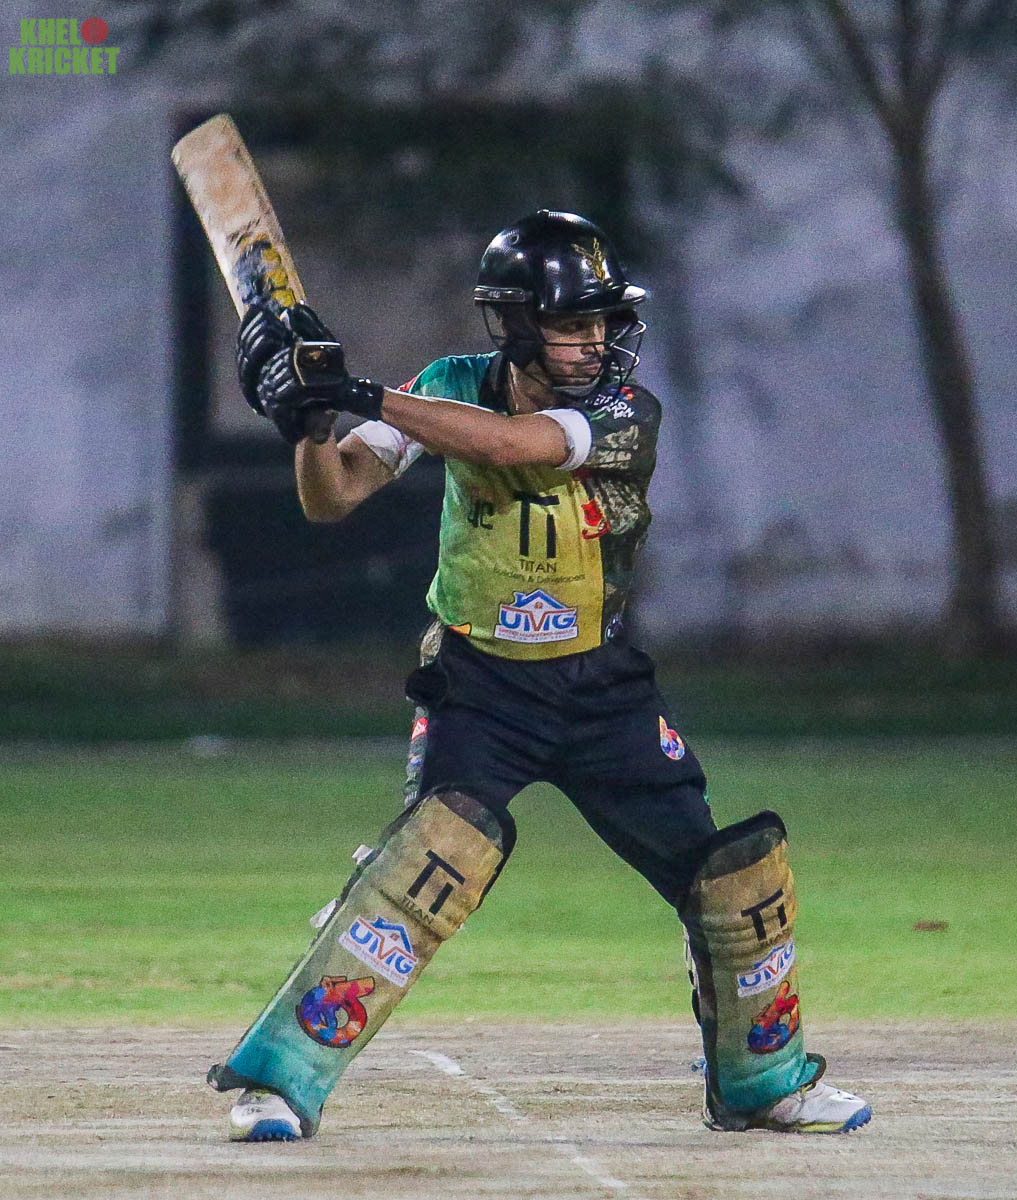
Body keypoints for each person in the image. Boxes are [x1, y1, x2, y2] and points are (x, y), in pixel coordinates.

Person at [211, 210, 871, 1142]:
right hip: (478, 686)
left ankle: (765, 1083)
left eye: (602, 321)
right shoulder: (448, 384)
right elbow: (334, 496)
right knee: (419, 873)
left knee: (729, 883)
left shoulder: (623, 412)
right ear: (517, 326)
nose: (596, 341)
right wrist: (312, 424)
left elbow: (509, 446)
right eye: (572, 324)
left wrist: (352, 388)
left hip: (604, 690)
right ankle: (279, 1081)